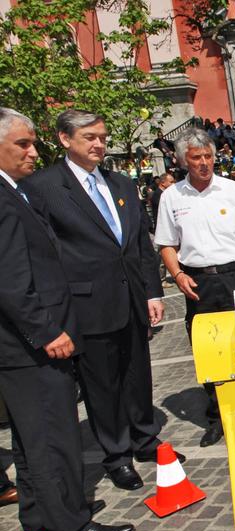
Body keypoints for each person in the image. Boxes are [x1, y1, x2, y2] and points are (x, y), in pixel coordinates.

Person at [0, 107, 134, 531]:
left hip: (29, 344)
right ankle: (68, 527)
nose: (32, 152)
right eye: (22, 144)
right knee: (52, 437)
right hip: (30, 348)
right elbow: (11, 282)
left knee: (33, 442)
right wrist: (46, 331)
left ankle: (44, 518)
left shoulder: (14, 191)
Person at [29, 109, 166, 492]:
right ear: (64, 139)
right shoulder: (45, 187)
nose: (99, 144)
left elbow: (139, 243)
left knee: (138, 376)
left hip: (132, 299)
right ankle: (117, 455)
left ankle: (145, 438)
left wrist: (152, 290)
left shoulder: (120, 183)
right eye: (89, 137)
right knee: (102, 385)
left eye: (103, 137)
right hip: (87, 304)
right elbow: (43, 253)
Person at [154, 128, 235, 447]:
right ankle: (218, 417)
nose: (204, 163)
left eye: (208, 156)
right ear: (183, 161)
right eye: (196, 158)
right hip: (198, 280)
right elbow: (167, 244)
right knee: (209, 348)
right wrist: (177, 275)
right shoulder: (172, 197)